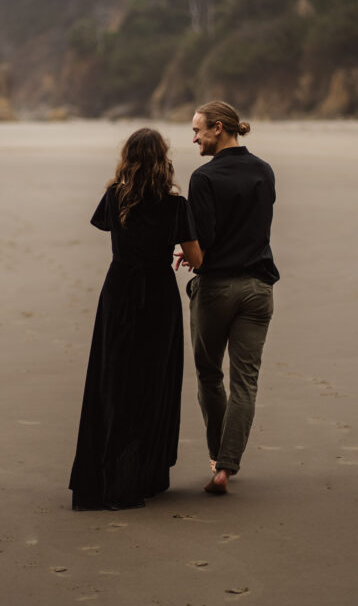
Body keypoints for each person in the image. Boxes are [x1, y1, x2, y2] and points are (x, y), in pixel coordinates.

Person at [69, 128, 202, 510]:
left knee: (112, 380)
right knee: (153, 381)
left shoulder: (115, 197)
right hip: (158, 295)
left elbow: (108, 227)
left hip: (120, 292)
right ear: (164, 158)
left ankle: (107, 476)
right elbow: (196, 260)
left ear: (128, 157)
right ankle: (144, 474)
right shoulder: (176, 205)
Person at [175, 100, 278, 495]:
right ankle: (227, 467)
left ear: (219, 128)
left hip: (216, 287)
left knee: (208, 374)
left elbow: (206, 241)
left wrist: (191, 253)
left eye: (198, 129)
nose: (195, 138)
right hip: (258, 288)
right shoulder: (264, 171)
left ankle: (217, 455)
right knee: (246, 383)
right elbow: (256, 226)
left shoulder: (204, 178)